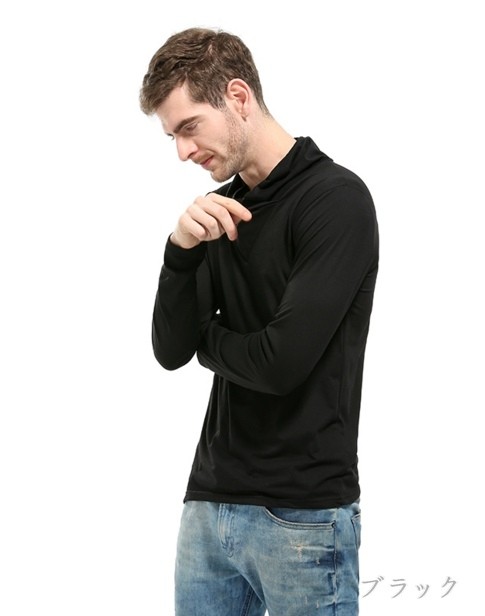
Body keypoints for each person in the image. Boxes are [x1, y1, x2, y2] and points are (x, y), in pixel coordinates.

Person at [140, 27, 379, 616]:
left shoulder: (335, 199)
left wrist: (207, 338)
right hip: (209, 504)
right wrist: (179, 250)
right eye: (172, 136)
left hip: (302, 513)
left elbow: (279, 364)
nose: (182, 152)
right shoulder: (220, 212)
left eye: (189, 127)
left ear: (238, 97)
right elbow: (169, 350)